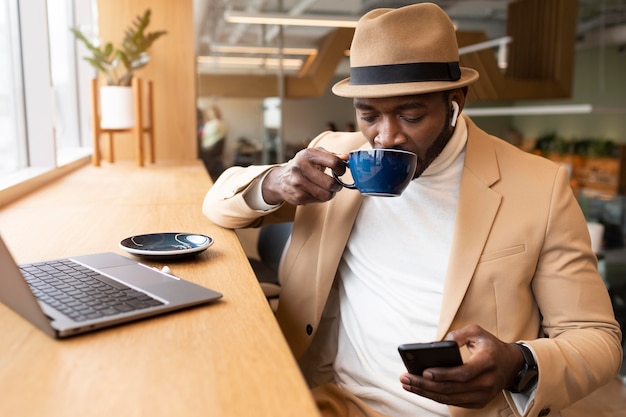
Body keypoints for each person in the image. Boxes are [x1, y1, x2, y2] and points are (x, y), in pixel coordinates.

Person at [203, 4, 622, 417]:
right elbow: (217, 206)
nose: (386, 136)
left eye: (410, 114)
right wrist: (274, 182)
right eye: (369, 115)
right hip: (337, 402)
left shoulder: (537, 186)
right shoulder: (336, 155)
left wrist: (519, 363)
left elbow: (598, 338)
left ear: (456, 102)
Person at [200, 105, 228, 180]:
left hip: (210, 148)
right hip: (213, 148)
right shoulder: (219, 123)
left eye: (213, 112)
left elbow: (204, 136)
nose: (212, 114)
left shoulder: (214, 124)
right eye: (210, 112)